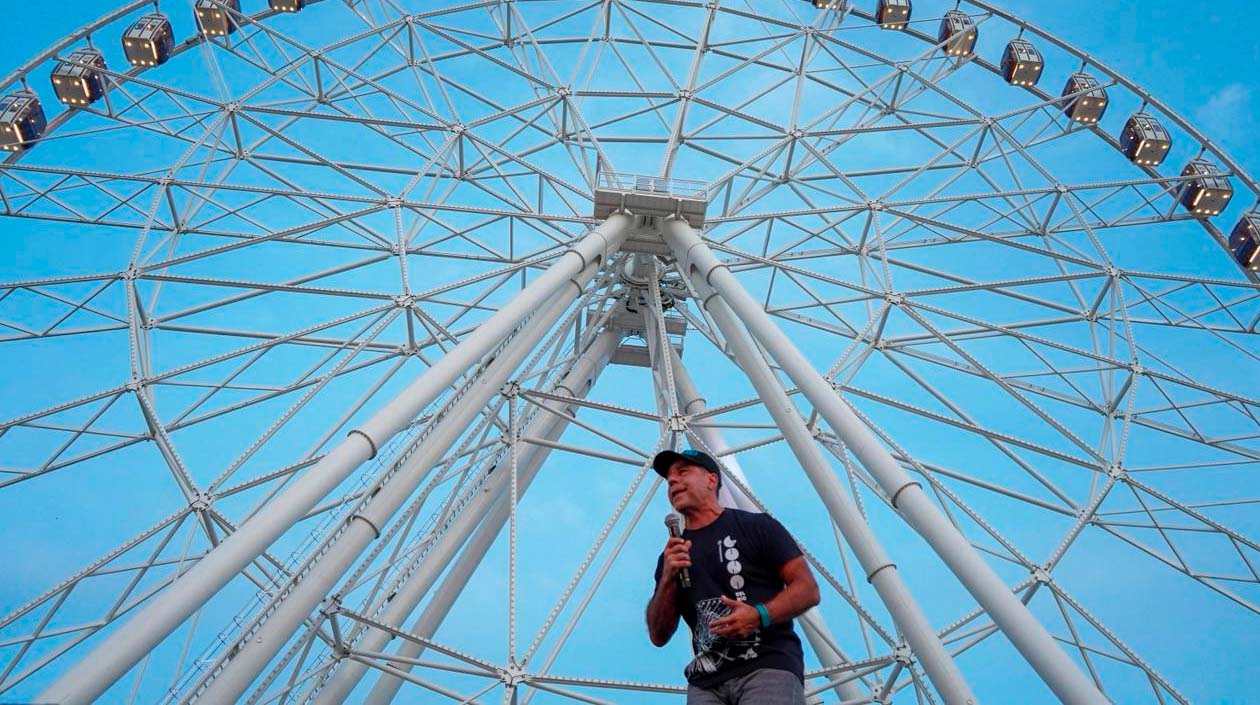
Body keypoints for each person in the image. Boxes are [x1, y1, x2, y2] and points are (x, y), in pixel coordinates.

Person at [646, 449, 820, 705]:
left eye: (683, 472)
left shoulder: (756, 526)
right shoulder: (672, 556)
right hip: (705, 683)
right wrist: (667, 579)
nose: (672, 481)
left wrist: (758, 615)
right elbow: (658, 634)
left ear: (711, 480)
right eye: (669, 478)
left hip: (767, 666)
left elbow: (807, 589)